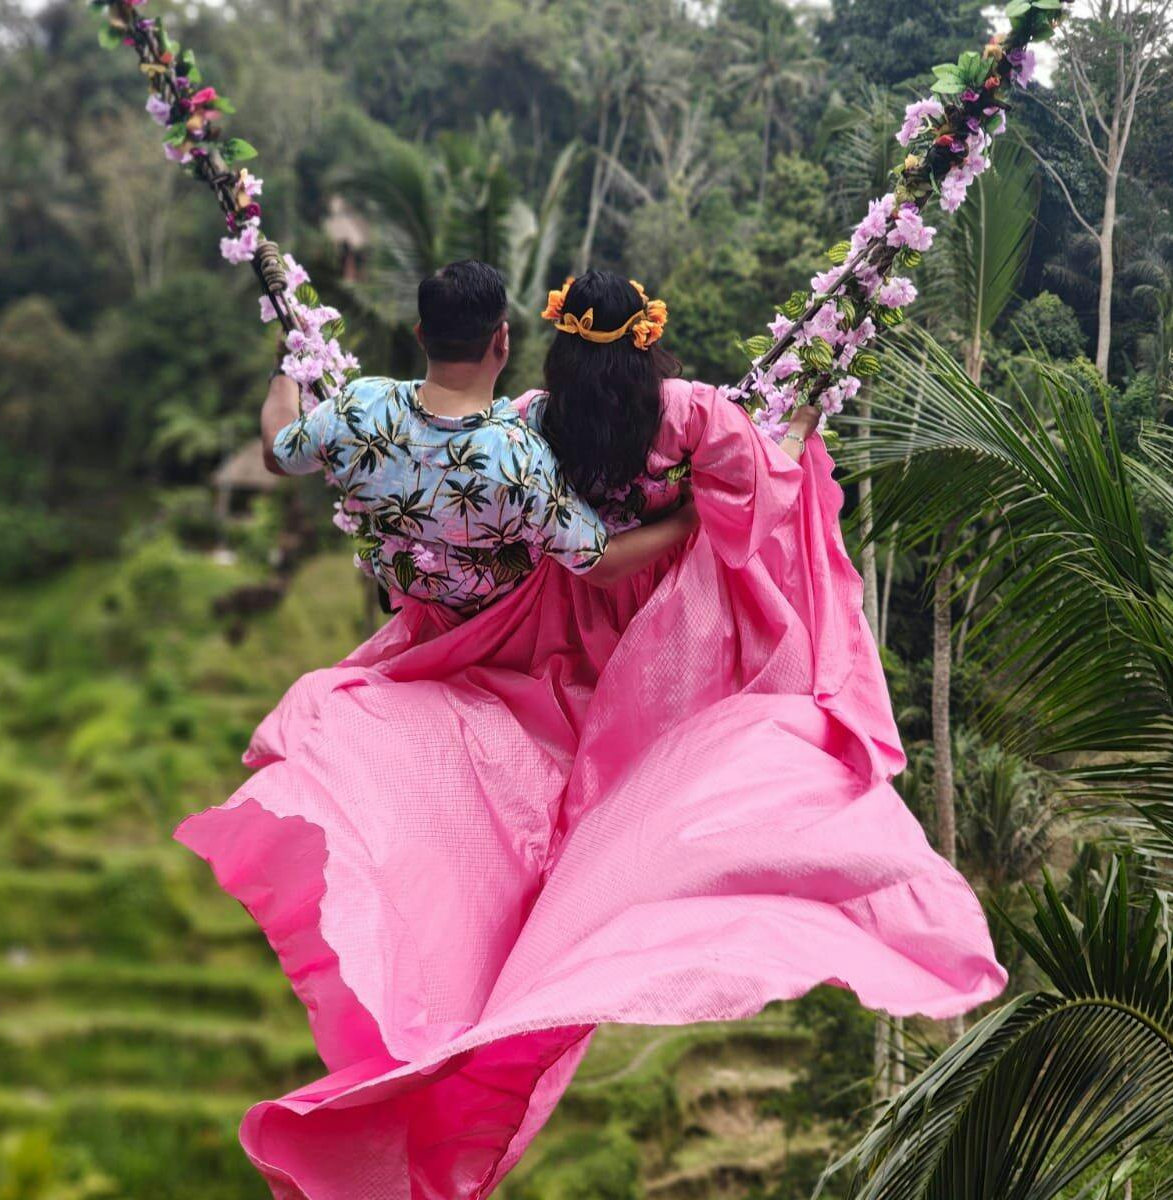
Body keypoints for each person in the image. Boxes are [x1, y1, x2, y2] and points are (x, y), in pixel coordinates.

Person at [176, 265, 1006, 1200]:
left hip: (550, 631)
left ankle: (469, 987)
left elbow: (286, 445)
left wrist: (289, 359)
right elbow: (731, 500)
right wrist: (738, 472)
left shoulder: (516, 422)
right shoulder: (658, 421)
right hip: (663, 632)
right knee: (653, 797)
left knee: (535, 806)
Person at [256, 259, 698, 610]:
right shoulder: (521, 461)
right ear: (502, 340)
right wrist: (689, 518)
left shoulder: (357, 408)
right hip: (497, 640)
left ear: (421, 335)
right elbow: (602, 564)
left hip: (409, 615)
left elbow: (278, 453)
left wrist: (286, 368)